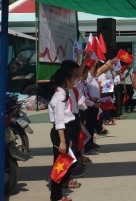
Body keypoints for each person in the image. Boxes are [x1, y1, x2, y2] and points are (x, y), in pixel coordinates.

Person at [48, 66, 80, 201]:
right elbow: (59, 121)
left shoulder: (63, 93)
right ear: (66, 81)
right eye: (73, 78)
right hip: (61, 132)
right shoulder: (60, 96)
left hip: (65, 131)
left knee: (62, 164)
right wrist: (62, 140)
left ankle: (59, 192)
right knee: (59, 165)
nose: (75, 80)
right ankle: (56, 196)